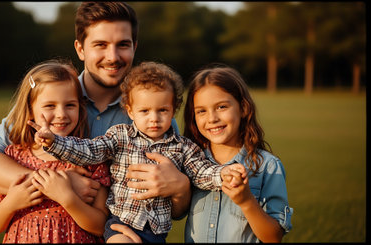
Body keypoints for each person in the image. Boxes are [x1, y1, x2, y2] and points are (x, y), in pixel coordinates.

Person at [0, 1, 191, 227]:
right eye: (100, 45)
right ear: (80, 49)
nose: (112, 56)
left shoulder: (153, 116)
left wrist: (181, 187)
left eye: (123, 44)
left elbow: (176, 211)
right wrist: (62, 186)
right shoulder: (53, 99)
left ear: (135, 46)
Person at [29, 62, 246, 243]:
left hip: (157, 232)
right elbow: (89, 151)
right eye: (145, 111)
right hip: (121, 224)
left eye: (162, 110)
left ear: (174, 109)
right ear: (130, 111)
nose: (154, 118)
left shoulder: (184, 147)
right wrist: (54, 142)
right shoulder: (120, 136)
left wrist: (224, 174)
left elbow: (202, 172)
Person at [0, 59, 111, 243]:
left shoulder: (90, 158)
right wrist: (11, 203)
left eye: (70, 105)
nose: (61, 114)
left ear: (80, 108)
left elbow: (101, 227)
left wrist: (67, 198)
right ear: (30, 110)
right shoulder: (14, 158)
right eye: (50, 106)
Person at [182, 65, 293, 242]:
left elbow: (274, 237)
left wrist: (247, 201)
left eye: (221, 107)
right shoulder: (190, 163)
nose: (212, 118)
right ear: (193, 117)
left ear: (243, 108)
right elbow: (176, 212)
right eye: (201, 111)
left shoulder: (268, 167)